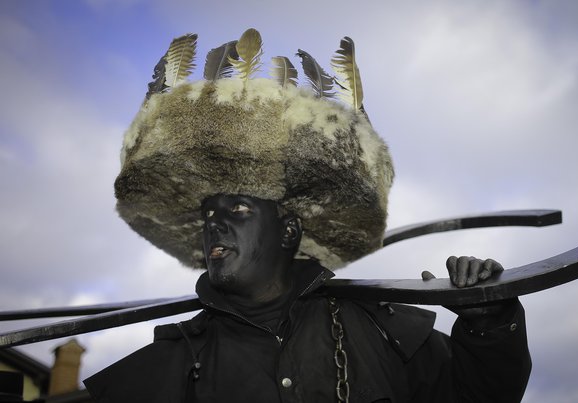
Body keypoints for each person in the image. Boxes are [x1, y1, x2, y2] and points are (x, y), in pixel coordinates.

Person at [84, 29, 531, 402]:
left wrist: (489, 323)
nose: (213, 224)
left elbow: (483, 394)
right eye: (207, 214)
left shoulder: (387, 329)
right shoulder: (166, 365)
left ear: (289, 230)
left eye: (237, 208)